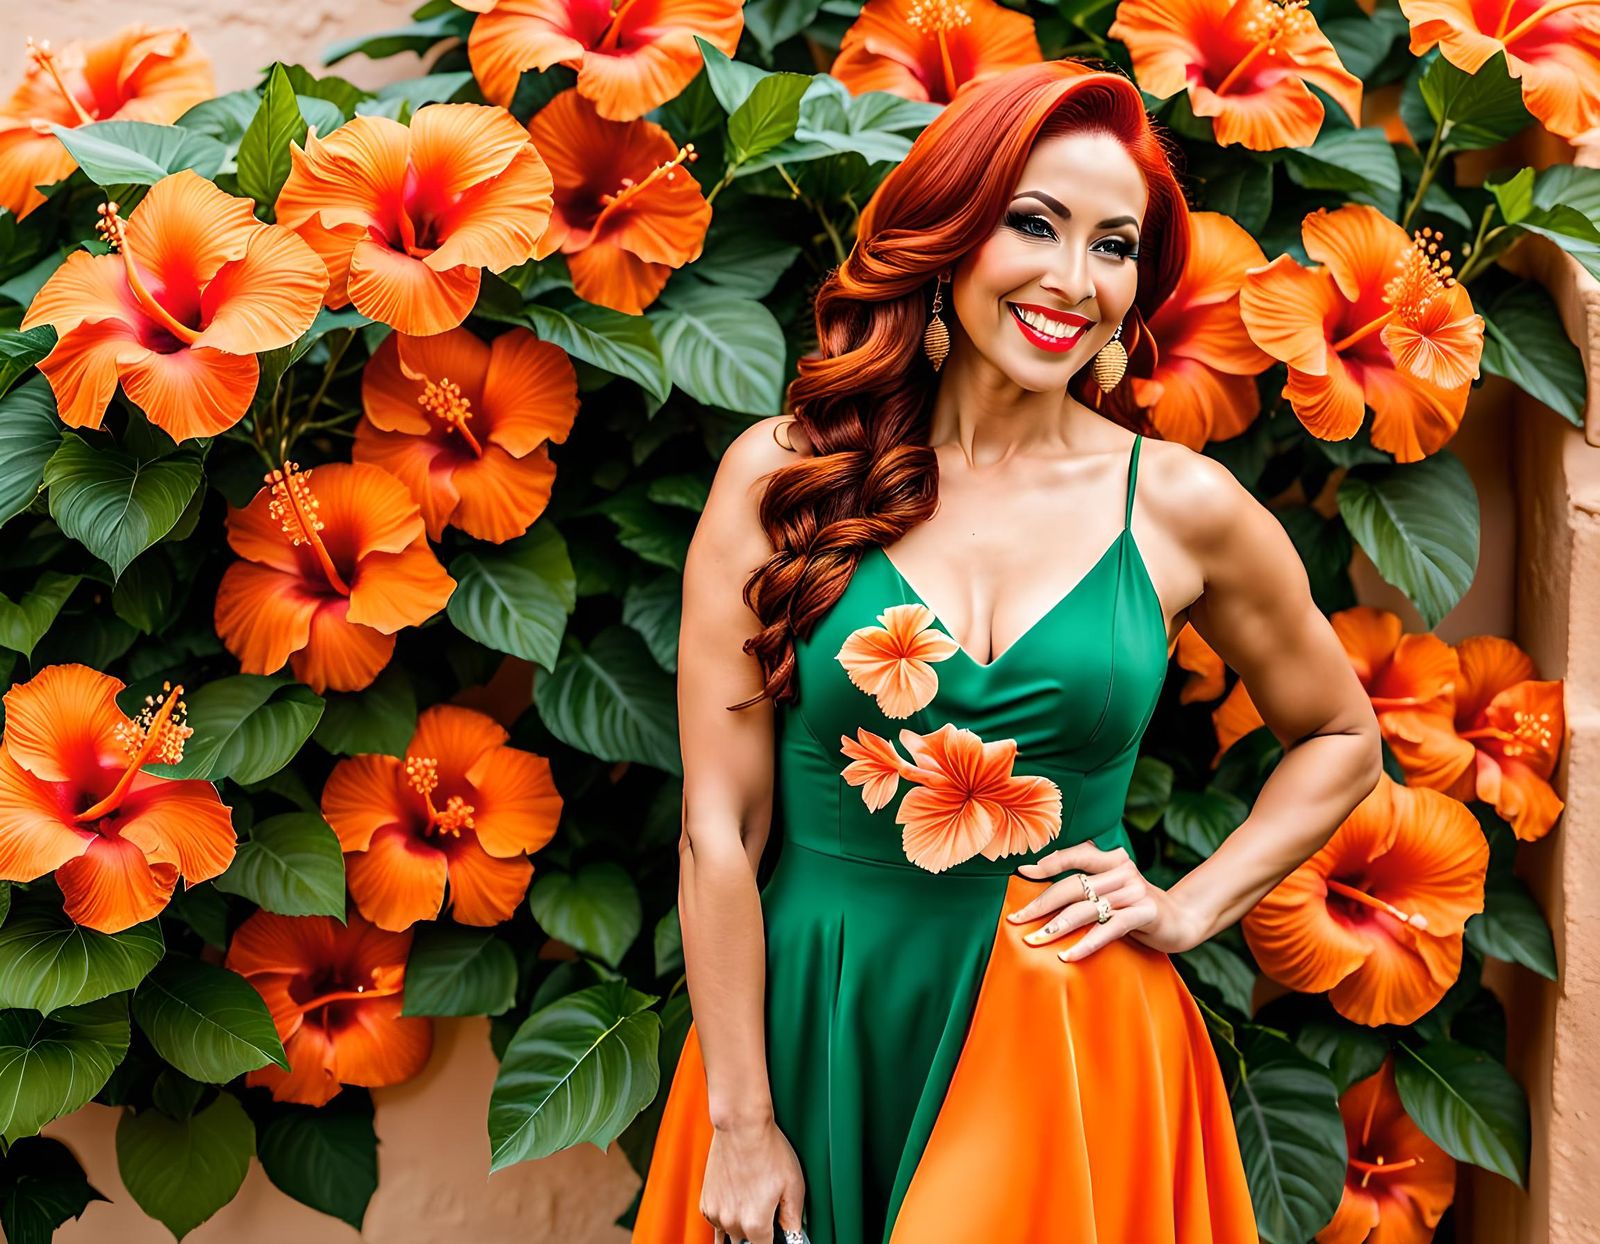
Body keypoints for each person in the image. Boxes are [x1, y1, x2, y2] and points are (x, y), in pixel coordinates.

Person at [632, 58, 1384, 1244]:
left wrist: (1188, 907)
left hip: (1075, 1037)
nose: (1070, 279)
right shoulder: (783, 478)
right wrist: (740, 1121)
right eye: (1033, 224)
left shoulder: (1181, 507)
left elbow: (1343, 737)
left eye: (1112, 245)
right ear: (951, 236)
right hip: (814, 1024)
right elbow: (718, 827)